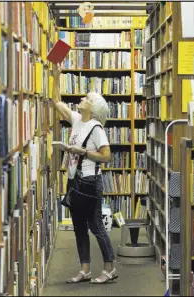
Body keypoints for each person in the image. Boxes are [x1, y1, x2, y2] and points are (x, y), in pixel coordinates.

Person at [51, 63, 118, 284]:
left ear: (93, 108)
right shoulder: (77, 120)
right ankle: (85, 269)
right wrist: (55, 75)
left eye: (87, 99)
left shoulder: (96, 128)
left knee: (96, 225)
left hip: (90, 182)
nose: (83, 99)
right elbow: (56, 102)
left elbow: (106, 156)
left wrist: (83, 152)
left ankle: (110, 267)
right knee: (79, 226)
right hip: (74, 182)